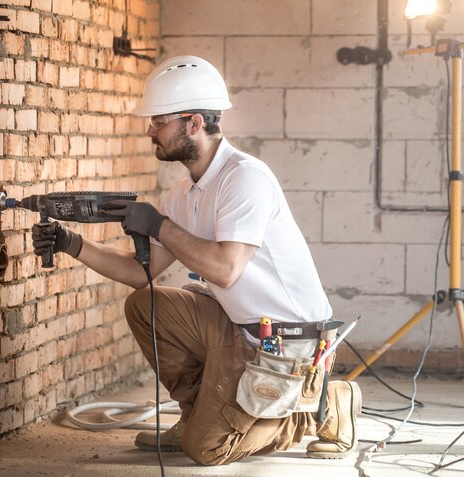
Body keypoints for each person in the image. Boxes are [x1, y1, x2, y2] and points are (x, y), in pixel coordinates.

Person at [32, 55, 362, 465]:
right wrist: (72, 243)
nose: (150, 130)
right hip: (236, 326)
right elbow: (141, 274)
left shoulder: (245, 178)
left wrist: (158, 226)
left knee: (206, 449)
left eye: (158, 121)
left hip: (288, 341)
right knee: (146, 304)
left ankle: (323, 402)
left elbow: (226, 269)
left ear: (194, 124)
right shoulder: (182, 194)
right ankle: (196, 412)